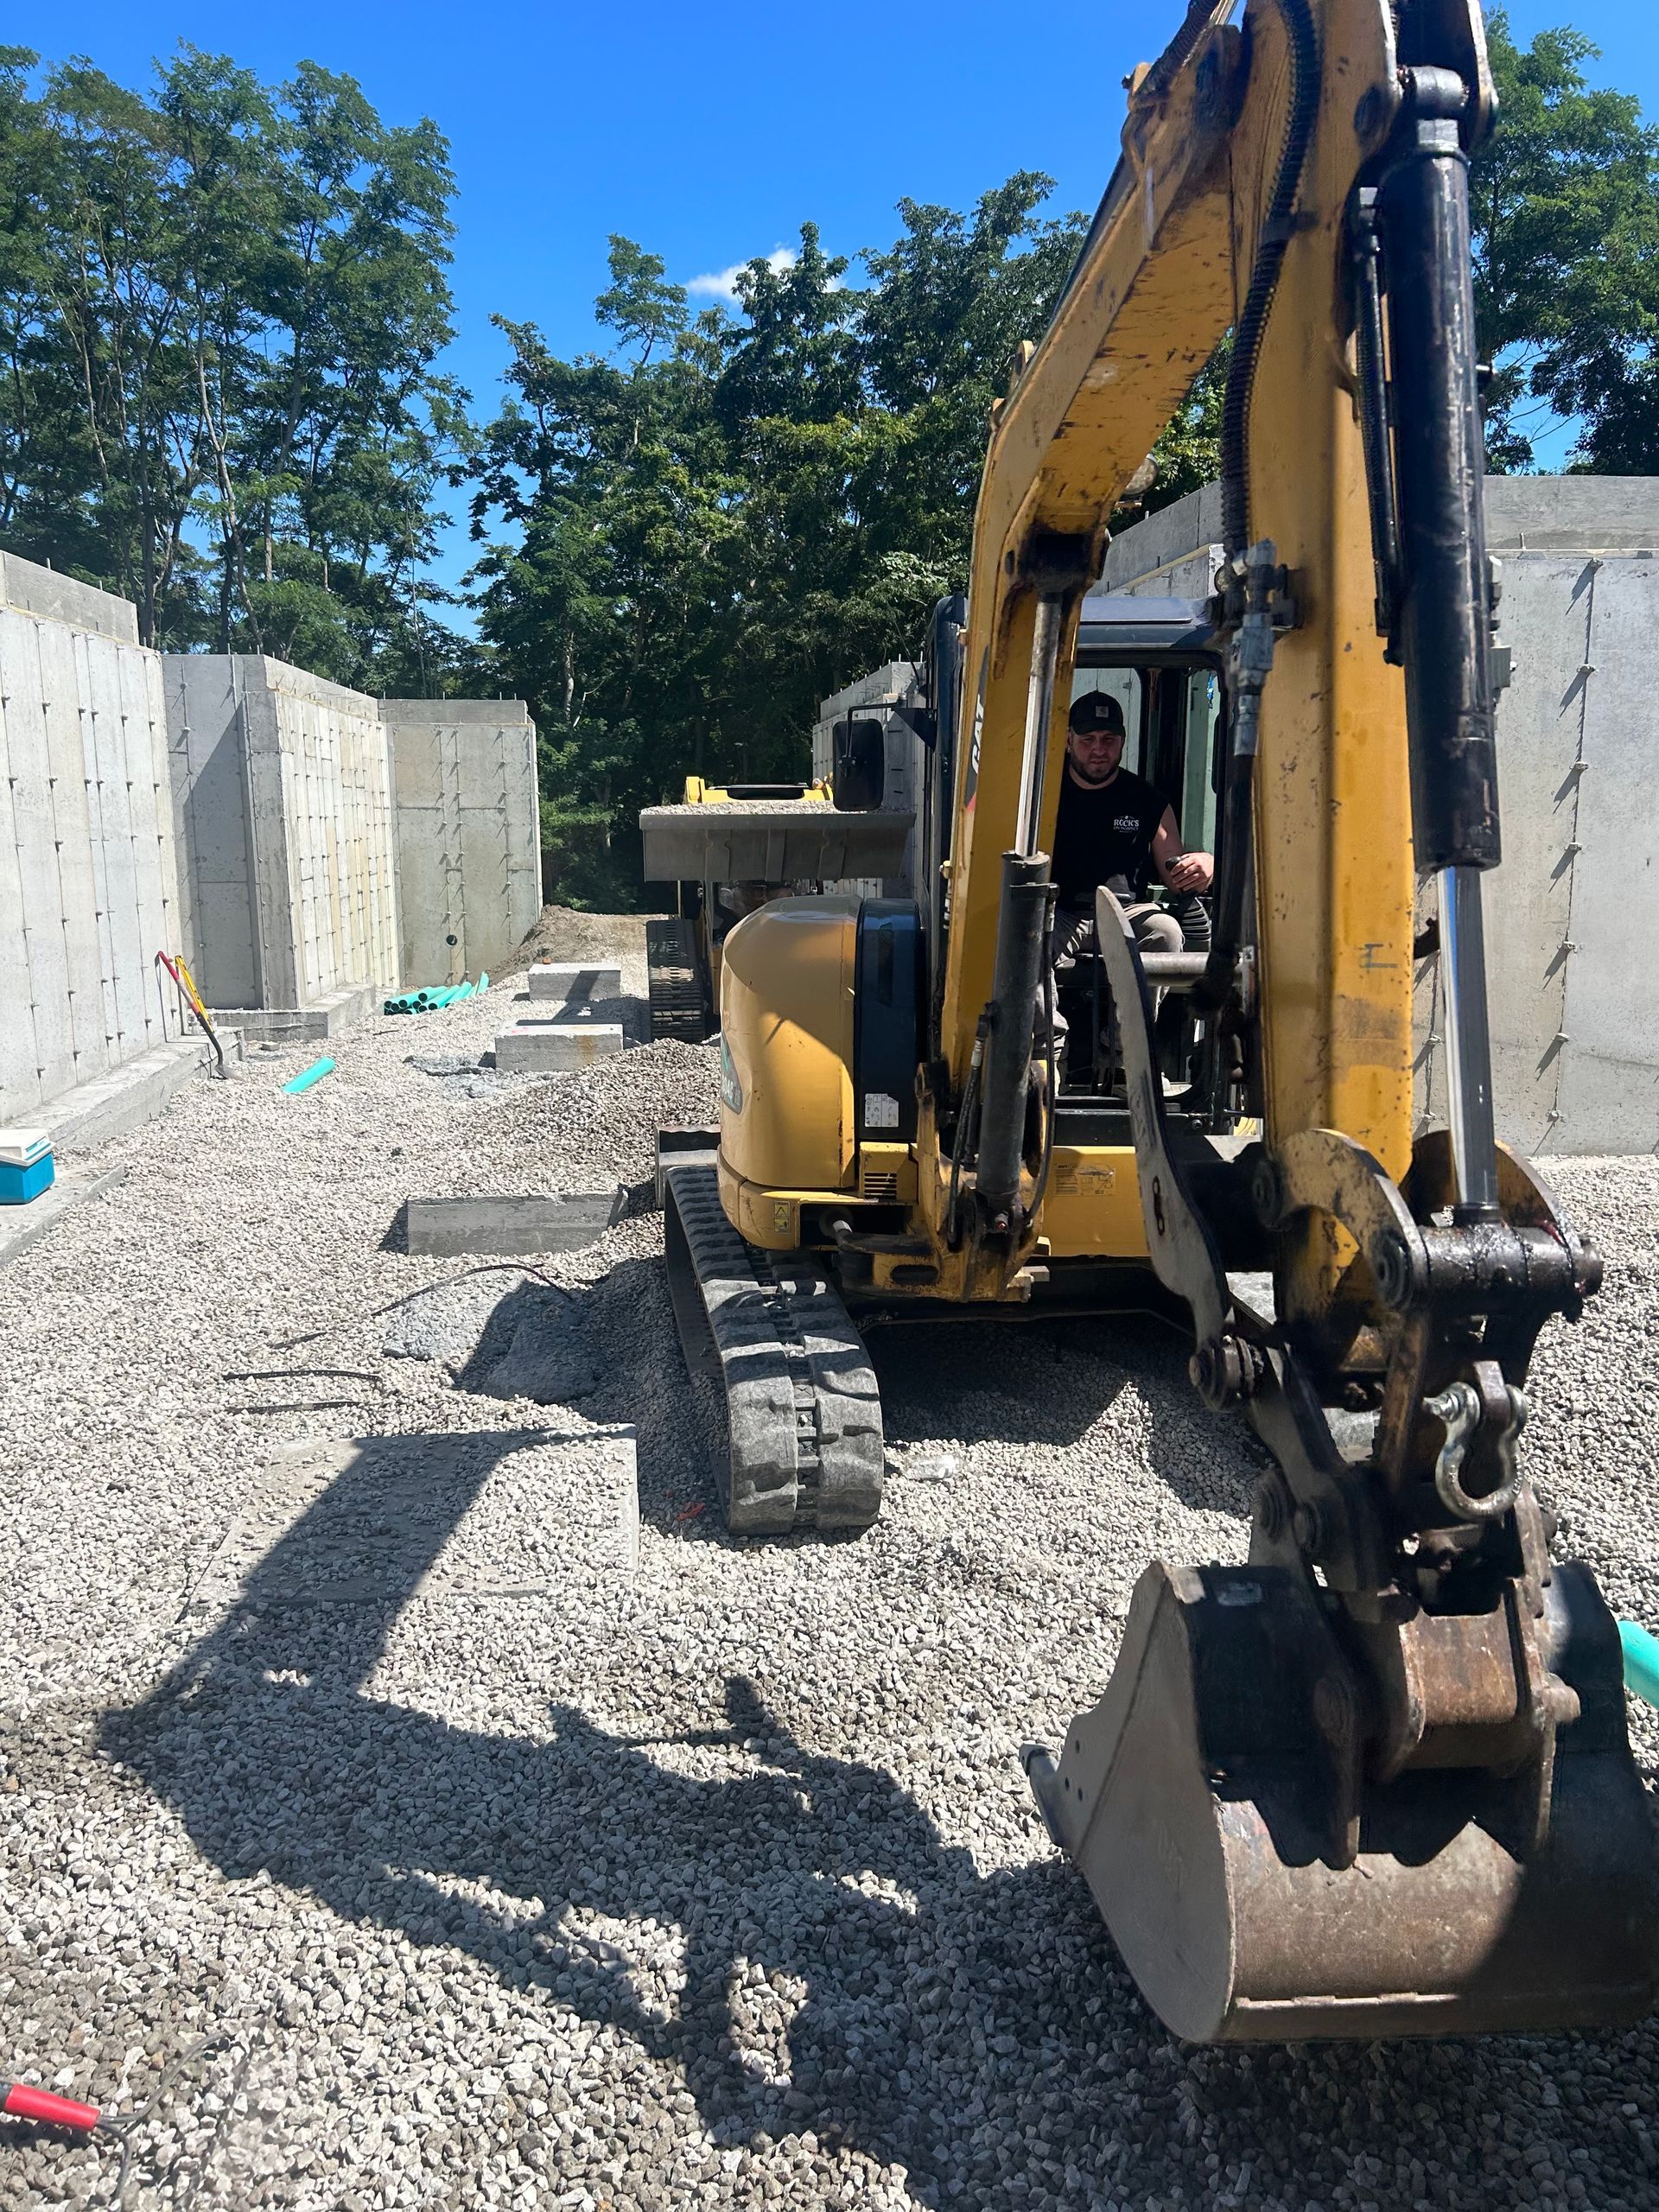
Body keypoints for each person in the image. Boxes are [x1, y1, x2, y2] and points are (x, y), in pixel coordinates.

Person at [1050, 690, 1213, 965]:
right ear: (1068, 741)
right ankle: (1046, 1011)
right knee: (1025, 940)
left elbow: (1176, 876)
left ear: (1123, 741)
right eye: (1087, 740)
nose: (1099, 750)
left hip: (1127, 912)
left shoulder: (1148, 800)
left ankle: (1137, 1011)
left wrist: (1205, 864)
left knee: (1166, 932)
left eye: (1109, 740)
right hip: (1059, 912)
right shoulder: (1042, 793)